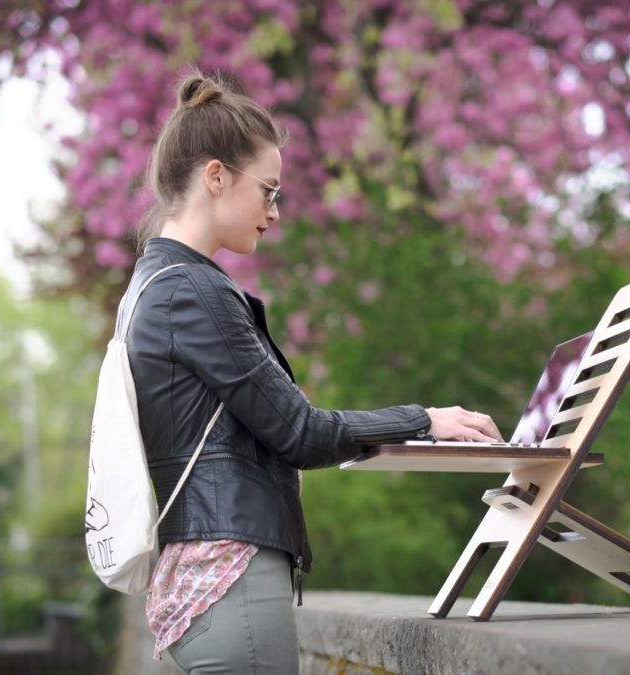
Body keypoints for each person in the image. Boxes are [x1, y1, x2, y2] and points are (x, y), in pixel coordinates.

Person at [123, 69, 502, 674]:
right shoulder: (192, 292)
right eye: (268, 190)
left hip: (202, 581)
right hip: (230, 580)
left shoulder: (152, 286)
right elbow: (300, 432)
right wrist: (427, 419)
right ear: (215, 176)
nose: (274, 211)